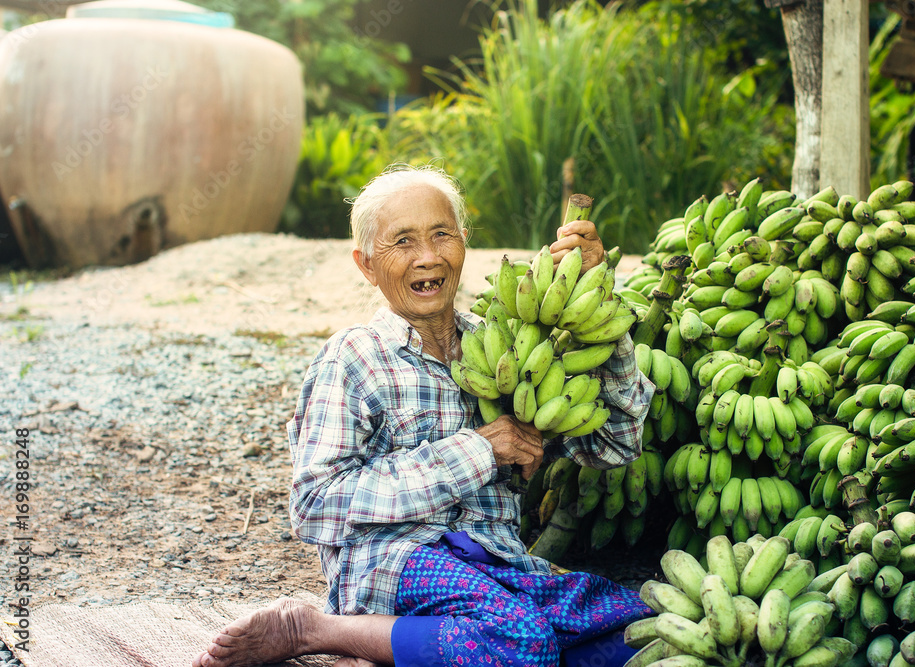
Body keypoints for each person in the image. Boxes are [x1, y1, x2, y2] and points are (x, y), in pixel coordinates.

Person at [192, 165, 655, 667]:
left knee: (641, 634)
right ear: (367, 265)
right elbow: (315, 504)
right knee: (521, 641)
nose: (428, 256)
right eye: (403, 242)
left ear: (464, 244)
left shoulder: (508, 348)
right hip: (397, 562)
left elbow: (616, 445)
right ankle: (317, 629)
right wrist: (480, 449)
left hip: (496, 564)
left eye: (442, 235)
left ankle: (446, 648)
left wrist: (599, 301)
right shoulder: (353, 358)